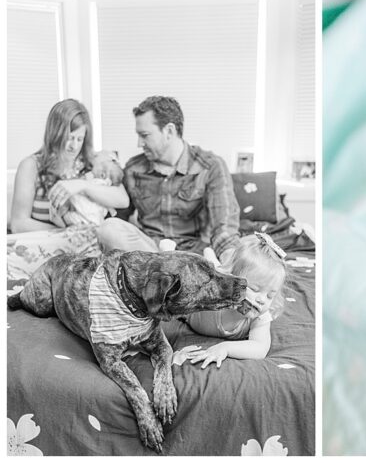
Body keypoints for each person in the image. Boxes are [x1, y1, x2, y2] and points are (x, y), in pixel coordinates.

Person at [95, 96, 240, 259]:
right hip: (148, 251)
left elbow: (224, 228)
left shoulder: (211, 167)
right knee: (108, 228)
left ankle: (178, 269)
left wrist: (230, 258)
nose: (139, 143)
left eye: (145, 135)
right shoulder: (133, 168)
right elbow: (118, 217)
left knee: (240, 252)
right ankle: (165, 267)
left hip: (192, 255)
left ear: (169, 131)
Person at [10, 99, 129, 233]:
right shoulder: (31, 166)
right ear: (55, 134)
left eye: (80, 139)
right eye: (69, 138)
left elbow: (123, 200)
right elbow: (18, 224)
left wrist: (82, 185)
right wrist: (68, 232)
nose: (74, 146)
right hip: (49, 246)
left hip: (85, 245)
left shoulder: (93, 163)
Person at [176, 233, 290, 368]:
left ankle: (212, 257)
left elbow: (260, 348)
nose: (262, 300)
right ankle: (206, 256)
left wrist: (226, 348)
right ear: (231, 280)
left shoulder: (260, 317)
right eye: (254, 289)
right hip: (193, 314)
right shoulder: (216, 292)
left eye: (270, 296)